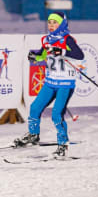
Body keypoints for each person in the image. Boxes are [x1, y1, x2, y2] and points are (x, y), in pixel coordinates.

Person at [14, 11, 84, 158]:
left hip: (65, 84)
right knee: (34, 108)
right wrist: (34, 56)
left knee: (56, 114)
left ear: (62, 24)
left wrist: (61, 51)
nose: (51, 25)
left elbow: (79, 55)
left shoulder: (67, 39)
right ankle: (33, 135)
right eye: (49, 22)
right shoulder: (47, 39)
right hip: (50, 82)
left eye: (55, 22)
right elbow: (42, 55)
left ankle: (62, 145)